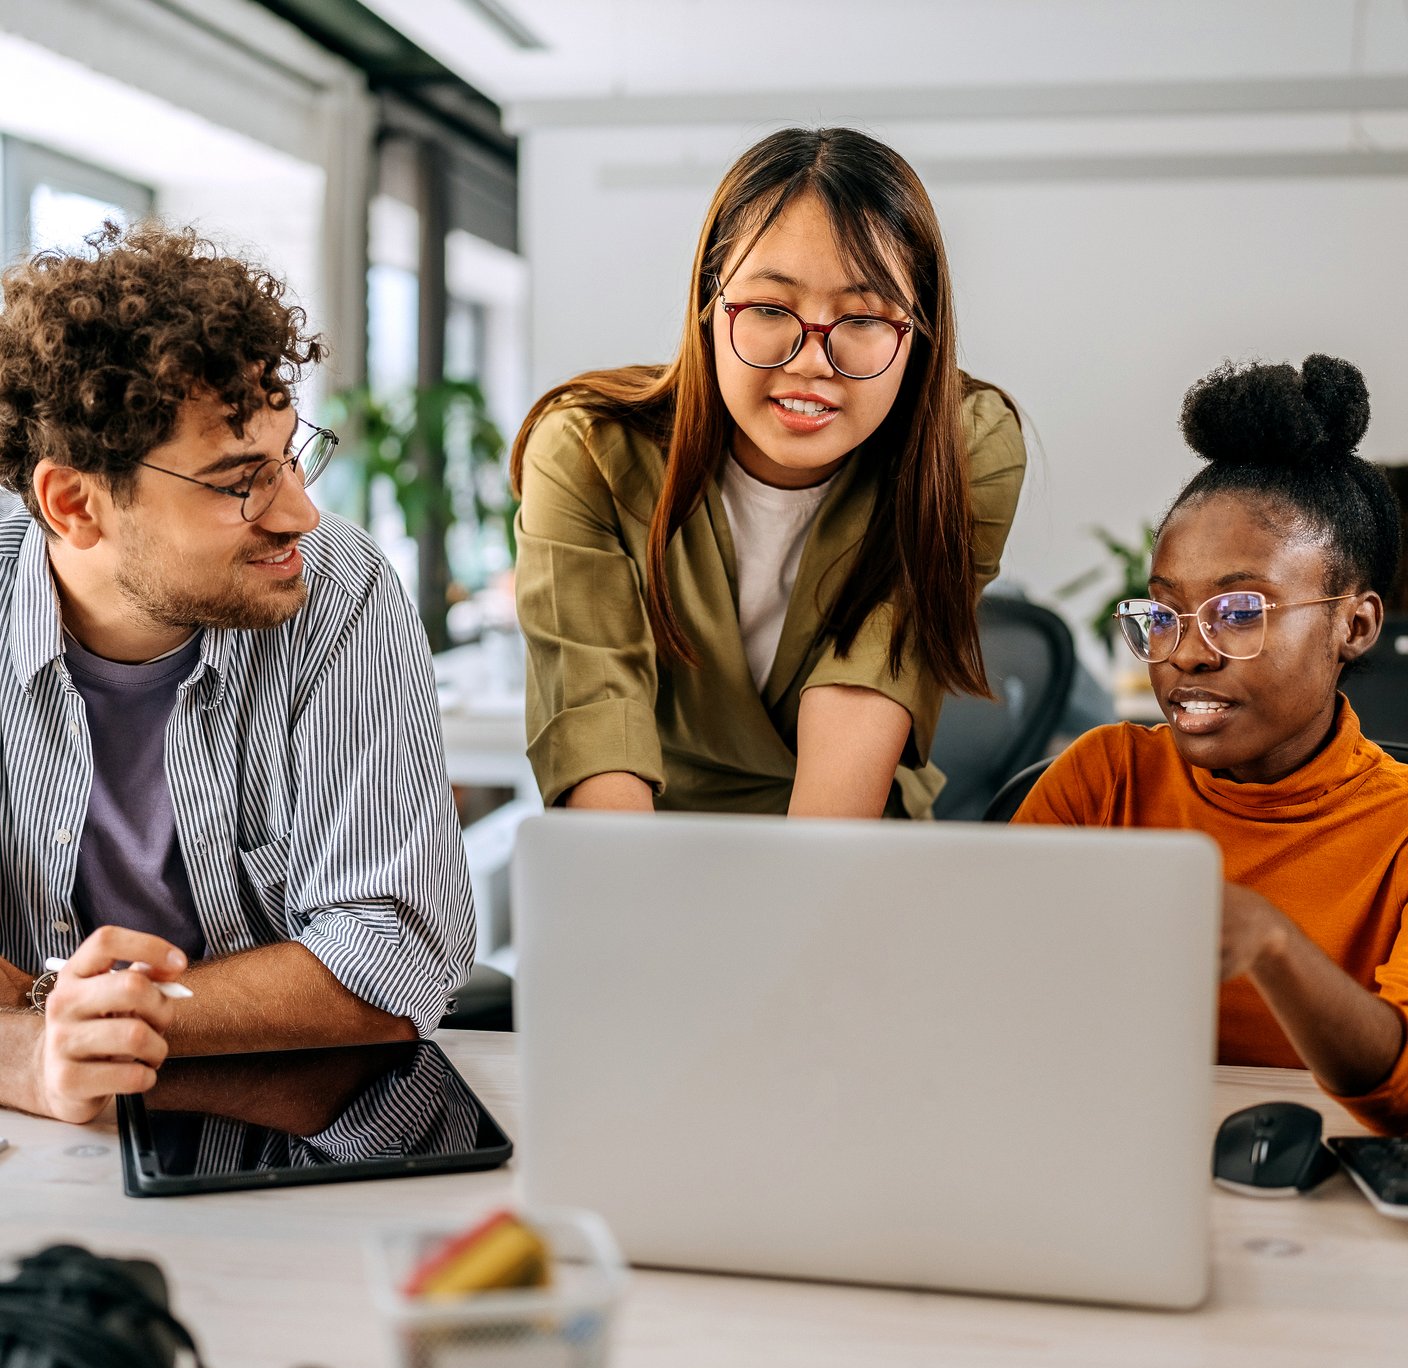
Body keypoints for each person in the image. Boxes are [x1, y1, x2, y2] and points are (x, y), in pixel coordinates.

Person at [0, 223, 475, 1125]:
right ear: (75, 504)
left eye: (293, 455)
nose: (300, 511)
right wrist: (31, 1058)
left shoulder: (343, 591)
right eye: (238, 481)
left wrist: (66, 1014)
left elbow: (398, 952)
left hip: (296, 1130)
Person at [512, 127, 1026, 819]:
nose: (811, 359)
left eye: (865, 317)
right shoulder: (586, 448)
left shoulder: (964, 447)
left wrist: (786, 919)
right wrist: (633, 911)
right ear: (708, 304)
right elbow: (595, 722)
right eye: (768, 308)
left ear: (919, 331)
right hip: (656, 846)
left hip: (849, 848)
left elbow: (864, 693)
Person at [1015, 354, 1408, 1133]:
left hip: (1325, 1182)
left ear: (1354, 625)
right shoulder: (1105, 780)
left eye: (1239, 611)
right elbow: (986, 991)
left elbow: (1401, 1095)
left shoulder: (1397, 831)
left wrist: (1271, 944)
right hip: (1105, 1142)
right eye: (1162, 614)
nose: (1184, 653)